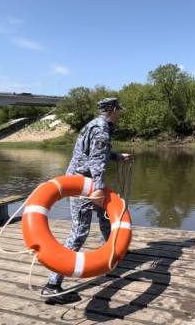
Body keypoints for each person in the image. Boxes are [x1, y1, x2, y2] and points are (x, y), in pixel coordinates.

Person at [41, 97, 132, 303]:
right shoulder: (101, 129)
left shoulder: (94, 124)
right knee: (80, 231)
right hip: (83, 185)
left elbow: (96, 153)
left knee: (105, 218)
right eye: (120, 110)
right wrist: (98, 189)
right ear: (114, 109)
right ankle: (52, 284)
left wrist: (117, 157)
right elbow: (96, 161)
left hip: (85, 181)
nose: (121, 114)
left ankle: (113, 254)